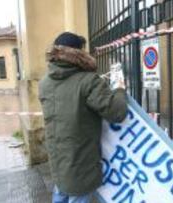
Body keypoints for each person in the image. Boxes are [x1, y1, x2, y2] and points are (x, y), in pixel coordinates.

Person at [39, 32, 128, 203]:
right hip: (81, 165)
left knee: (61, 193)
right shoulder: (88, 81)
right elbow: (117, 112)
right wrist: (119, 88)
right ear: (79, 54)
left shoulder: (44, 83)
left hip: (59, 164)